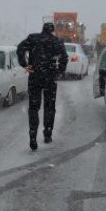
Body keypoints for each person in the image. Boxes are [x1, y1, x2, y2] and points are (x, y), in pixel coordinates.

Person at [17, 22, 68, 151]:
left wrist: (24, 64)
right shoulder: (57, 41)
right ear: (52, 30)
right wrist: (59, 71)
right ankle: (47, 133)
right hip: (50, 78)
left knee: (34, 107)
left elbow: (20, 48)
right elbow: (65, 58)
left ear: (42, 29)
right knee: (49, 106)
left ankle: (33, 135)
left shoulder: (33, 38)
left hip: (35, 77)